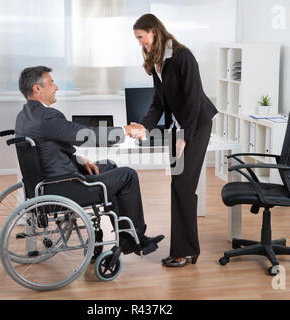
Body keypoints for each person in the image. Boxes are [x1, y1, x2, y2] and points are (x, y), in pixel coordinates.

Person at [15, 65, 164, 255]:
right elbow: (88, 135)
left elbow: (49, 148)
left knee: (109, 165)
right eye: (52, 83)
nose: (56, 87)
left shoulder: (24, 116)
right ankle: (135, 237)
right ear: (37, 88)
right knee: (127, 175)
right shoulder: (47, 117)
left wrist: (80, 159)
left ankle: (128, 236)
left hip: (47, 183)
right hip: (65, 186)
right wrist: (126, 130)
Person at [131, 14, 218, 267]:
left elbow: (192, 101)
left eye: (141, 37)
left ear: (153, 32)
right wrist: (142, 126)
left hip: (196, 125)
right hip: (179, 127)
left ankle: (185, 251)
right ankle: (186, 248)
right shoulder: (158, 61)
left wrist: (184, 139)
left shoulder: (183, 56)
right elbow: (158, 103)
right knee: (180, 186)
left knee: (182, 186)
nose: (140, 43)